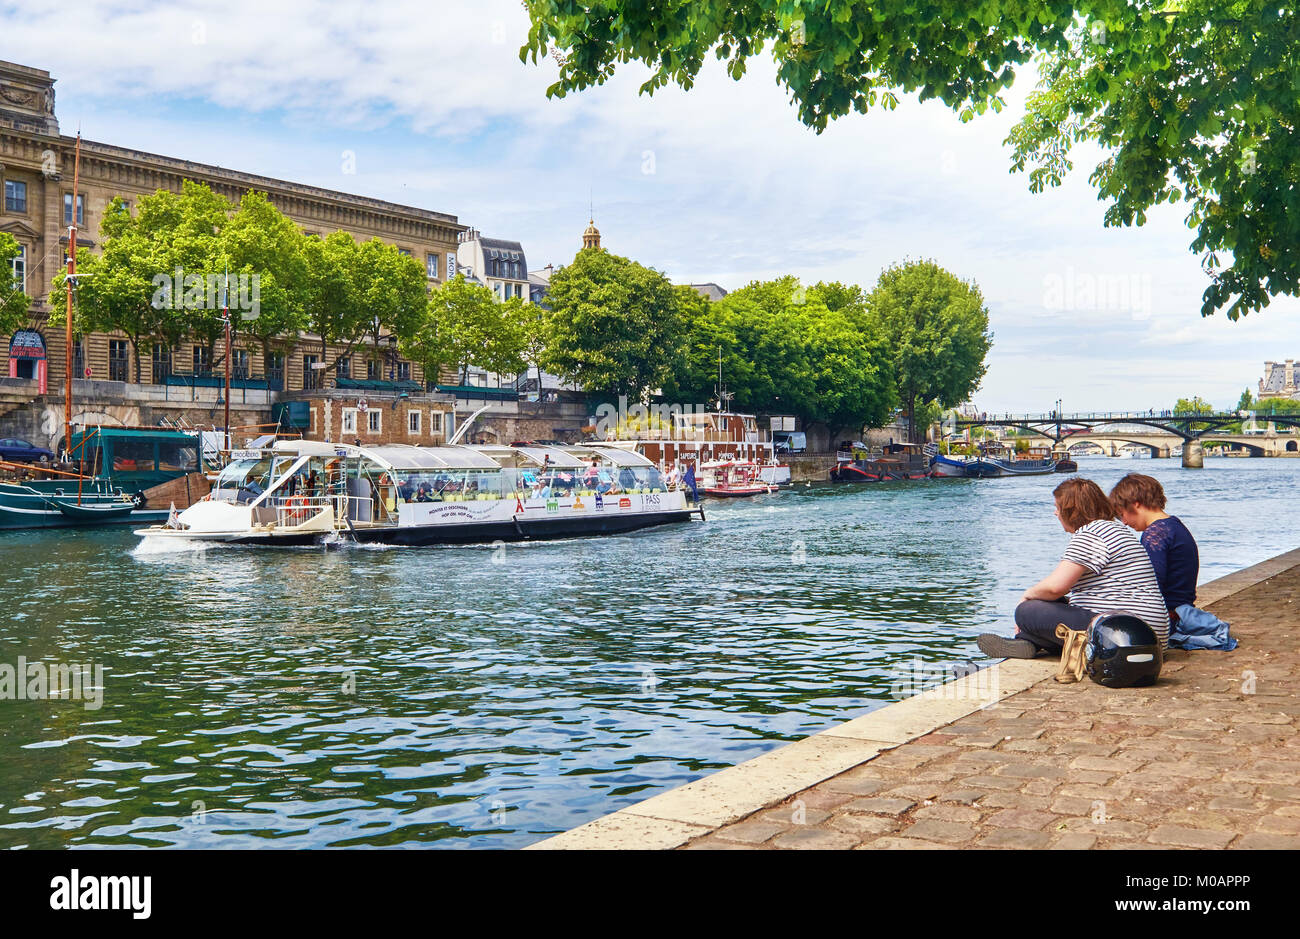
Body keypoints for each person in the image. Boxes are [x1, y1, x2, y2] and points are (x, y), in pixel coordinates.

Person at [976, 477, 1170, 658]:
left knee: (1028, 611)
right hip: (1149, 633)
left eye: (1057, 507)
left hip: (1123, 634)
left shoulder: (1091, 534)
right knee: (1057, 604)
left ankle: (1031, 640)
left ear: (1071, 510)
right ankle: (1030, 642)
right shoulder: (1116, 529)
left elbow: (1056, 586)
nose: (1055, 513)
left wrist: (1026, 596)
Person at [1109, 473, 1199, 623]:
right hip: (1183, 613)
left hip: (1168, 619)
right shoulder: (1174, 525)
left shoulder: (1155, 533)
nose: (1123, 522)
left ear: (1135, 503)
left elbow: (1150, 584)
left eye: (1121, 514)